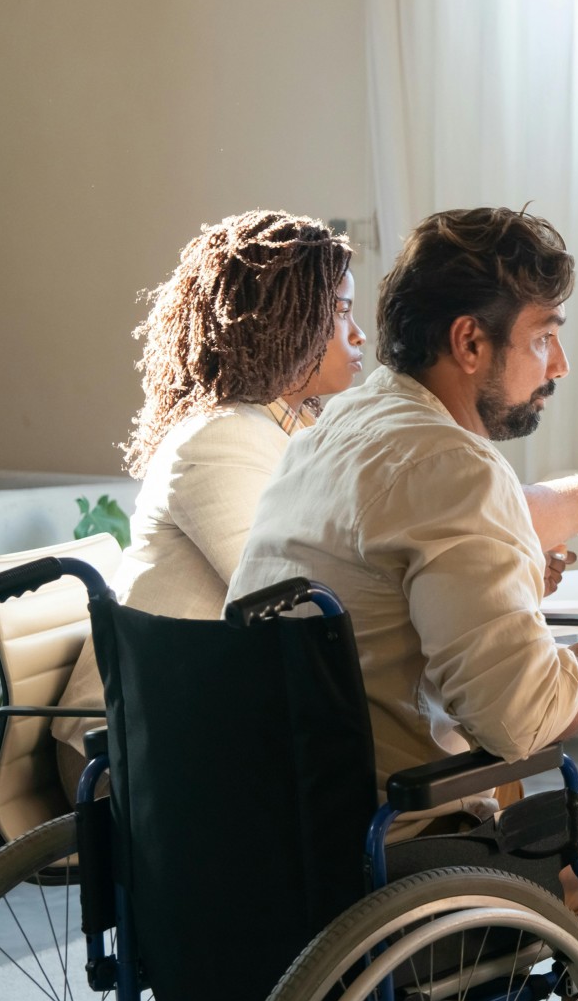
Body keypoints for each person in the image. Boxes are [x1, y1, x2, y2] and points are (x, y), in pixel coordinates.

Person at [227, 206, 578, 814]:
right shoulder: (455, 465)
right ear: (469, 342)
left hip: (278, 824)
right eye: (543, 338)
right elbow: (521, 720)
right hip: (395, 843)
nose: (560, 364)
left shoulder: (335, 426)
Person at [53, 210, 365, 788]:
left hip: (198, 715)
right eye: (341, 311)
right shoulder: (219, 437)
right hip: (126, 748)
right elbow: (282, 600)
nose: (359, 333)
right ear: (281, 321)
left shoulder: (285, 432)